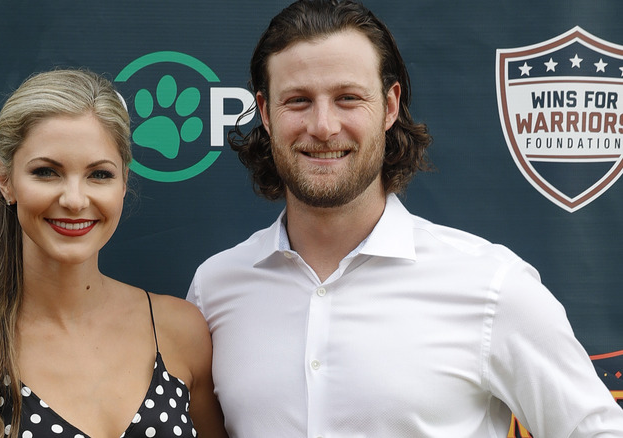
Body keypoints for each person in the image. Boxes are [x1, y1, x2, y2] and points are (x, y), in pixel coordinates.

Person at [186, 1, 623, 437]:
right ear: (264, 112)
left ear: (390, 105)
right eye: (298, 101)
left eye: (348, 98)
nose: (322, 125)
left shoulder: (491, 286)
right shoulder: (215, 289)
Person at [0, 69, 228, 438]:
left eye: (99, 175)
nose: (74, 200)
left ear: (124, 180)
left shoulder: (180, 330)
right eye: (46, 172)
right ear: (4, 179)